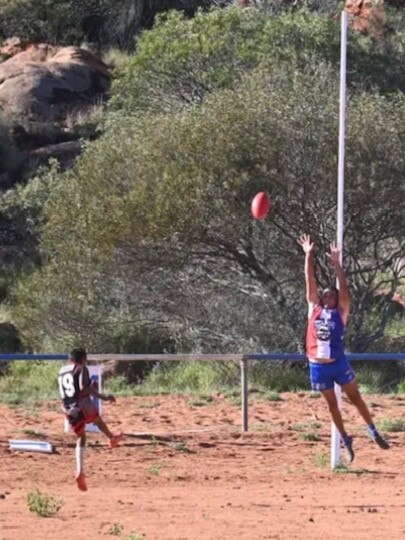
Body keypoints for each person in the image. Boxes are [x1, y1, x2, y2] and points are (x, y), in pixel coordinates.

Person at [299, 234, 389, 462]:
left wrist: (337, 264)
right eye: (325, 294)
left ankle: (372, 429)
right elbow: (309, 281)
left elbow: (345, 289)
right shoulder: (314, 308)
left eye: (332, 294)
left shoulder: (341, 312)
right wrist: (308, 255)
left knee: (356, 397)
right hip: (318, 365)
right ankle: (346, 438)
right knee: (332, 405)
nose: (327, 296)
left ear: (337, 298)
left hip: (338, 363)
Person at [58, 348, 123, 491]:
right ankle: (112, 438)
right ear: (83, 358)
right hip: (82, 404)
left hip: (68, 408)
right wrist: (103, 397)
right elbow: (83, 387)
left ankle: (80, 471)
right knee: (97, 420)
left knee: (81, 437)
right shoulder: (81, 368)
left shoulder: (62, 371)